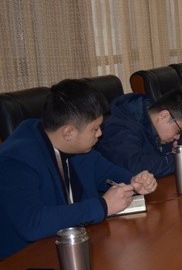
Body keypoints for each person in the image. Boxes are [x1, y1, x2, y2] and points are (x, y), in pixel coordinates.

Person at [0, 79, 157, 259]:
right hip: (25, 262)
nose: (100, 134)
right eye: (95, 129)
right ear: (68, 133)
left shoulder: (77, 148)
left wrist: (134, 182)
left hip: (72, 247)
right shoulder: (16, 159)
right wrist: (103, 206)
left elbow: (107, 173)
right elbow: (33, 224)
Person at [96, 88, 182, 178]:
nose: (178, 137)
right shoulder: (120, 129)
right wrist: (180, 160)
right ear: (164, 116)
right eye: (179, 131)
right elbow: (136, 168)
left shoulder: (151, 116)